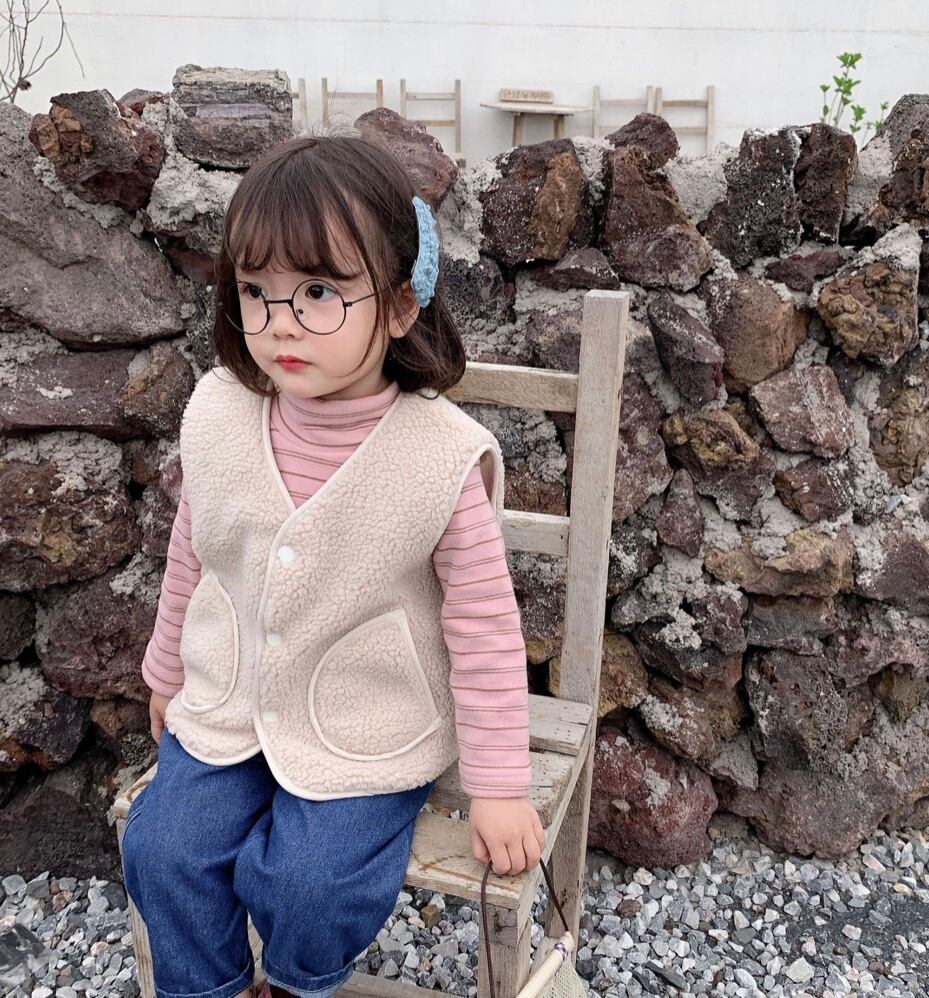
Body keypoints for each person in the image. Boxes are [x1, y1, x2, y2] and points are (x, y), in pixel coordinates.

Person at [121, 132, 546, 998]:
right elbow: (192, 554)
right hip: (230, 697)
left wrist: (500, 784)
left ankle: (293, 982)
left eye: (318, 291)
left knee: (311, 884)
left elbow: (484, 627)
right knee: (161, 848)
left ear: (398, 306)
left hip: (368, 721)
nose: (279, 321)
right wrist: (165, 672)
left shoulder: (439, 456)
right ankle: (206, 987)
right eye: (256, 291)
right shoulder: (219, 413)